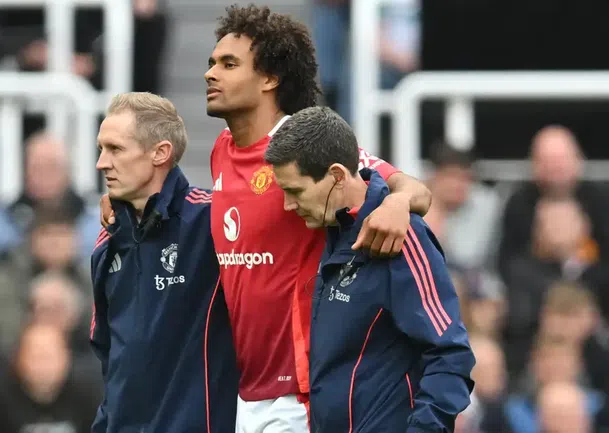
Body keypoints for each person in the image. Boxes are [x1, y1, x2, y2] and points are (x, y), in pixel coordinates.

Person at [101, 5, 433, 431]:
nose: (210, 74)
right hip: (245, 392)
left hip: (301, 395)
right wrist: (129, 203)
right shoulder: (222, 149)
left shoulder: (303, 147)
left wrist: (396, 204)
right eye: (211, 62)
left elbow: (414, 190)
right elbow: (211, 208)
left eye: (229, 64)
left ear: (270, 78)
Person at [264, 106, 474, 433]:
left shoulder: (402, 235)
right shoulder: (333, 230)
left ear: (337, 176)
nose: (288, 205)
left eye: (295, 191)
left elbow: (450, 355)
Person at [90, 92, 238, 433]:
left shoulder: (213, 222)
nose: (101, 163)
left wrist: (377, 195)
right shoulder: (106, 243)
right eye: (101, 149)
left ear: (160, 152)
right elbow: (109, 358)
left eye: (115, 149)